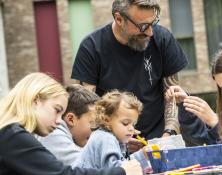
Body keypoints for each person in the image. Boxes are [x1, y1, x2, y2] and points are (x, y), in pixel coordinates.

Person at [71, 0, 188, 141]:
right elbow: (85, 109)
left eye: (153, 23)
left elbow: (172, 95)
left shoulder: (163, 39)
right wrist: (117, 139)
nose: (150, 32)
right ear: (119, 19)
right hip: (112, 142)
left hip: (159, 138)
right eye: (143, 26)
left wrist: (169, 134)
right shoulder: (91, 48)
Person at [0, 72, 142, 175]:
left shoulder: (12, 135)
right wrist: (122, 171)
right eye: (56, 110)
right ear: (35, 100)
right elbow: (62, 173)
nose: (59, 121)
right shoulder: (13, 135)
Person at [73, 90, 150, 173]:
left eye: (133, 124)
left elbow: (123, 165)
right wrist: (141, 155)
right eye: (125, 123)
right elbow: (117, 171)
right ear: (106, 120)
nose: (131, 128)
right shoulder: (105, 138)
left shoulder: (113, 137)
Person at [38, 84, 100, 165]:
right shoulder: (53, 133)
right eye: (93, 123)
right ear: (71, 119)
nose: (98, 130)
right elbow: (84, 167)